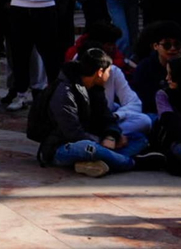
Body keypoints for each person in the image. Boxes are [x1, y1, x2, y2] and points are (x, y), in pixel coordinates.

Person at [36, 47, 135, 177]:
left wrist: (111, 136)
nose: (109, 75)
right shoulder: (64, 92)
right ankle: (131, 162)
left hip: (96, 138)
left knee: (138, 138)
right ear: (100, 72)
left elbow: (107, 117)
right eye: (108, 71)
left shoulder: (96, 89)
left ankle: (101, 162)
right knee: (88, 148)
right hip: (62, 146)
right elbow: (72, 132)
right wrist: (101, 141)